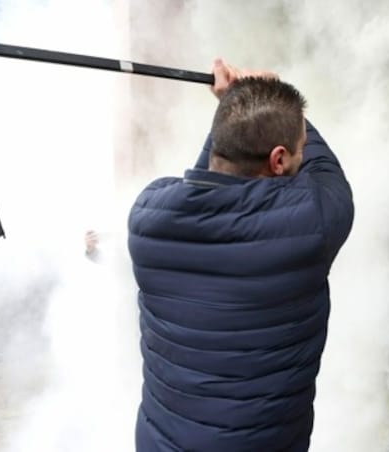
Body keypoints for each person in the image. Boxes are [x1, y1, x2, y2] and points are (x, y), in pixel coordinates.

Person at [128, 59, 354, 451]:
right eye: (297, 151)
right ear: (279, 160)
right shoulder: (314, 221)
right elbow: (324, 170)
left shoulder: (148, 218)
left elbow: (207, 180)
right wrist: (271, 100)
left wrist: (238, 109)